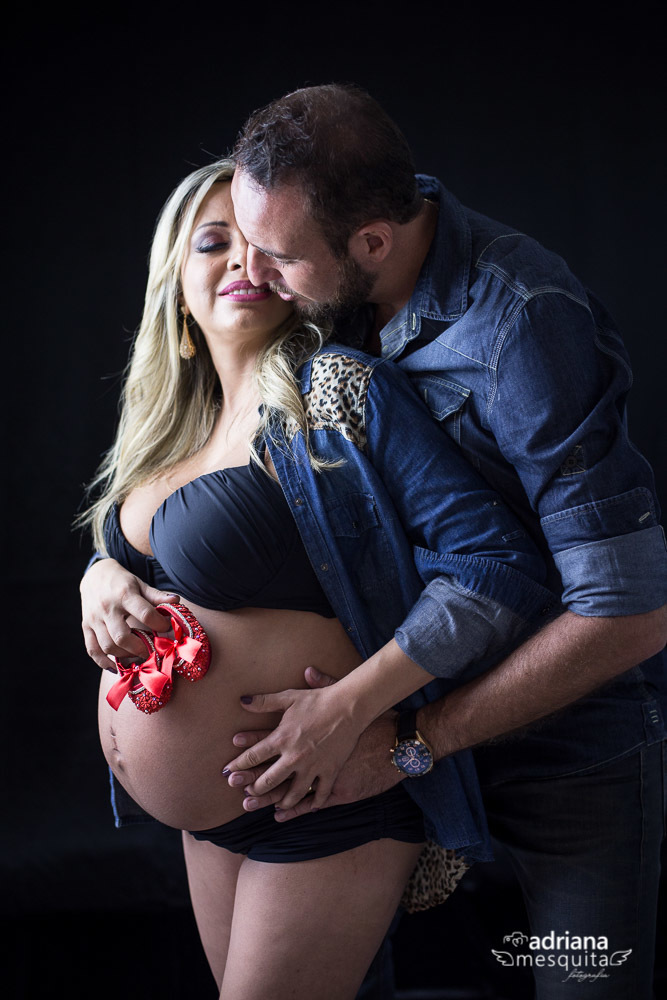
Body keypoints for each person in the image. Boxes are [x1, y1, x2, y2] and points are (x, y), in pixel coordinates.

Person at [209, 86, 666, 998]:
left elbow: (629, 615)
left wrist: (412, 738)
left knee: (585, 984)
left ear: (372, 241)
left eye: (280, 256)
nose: (257, 274)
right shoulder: (332, 285)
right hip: (380, 731)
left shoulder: (521, 323)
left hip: (562, 748)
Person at [79, 158, 555, 999]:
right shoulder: (166, 438)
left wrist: (354, 706)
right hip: (211, 821)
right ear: (175, 286)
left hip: (322, 795)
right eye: (213, 242)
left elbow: (495, 565)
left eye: (263, 244)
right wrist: (101, 572)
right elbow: (155, 560)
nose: (241, 262)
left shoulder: (338, 395)